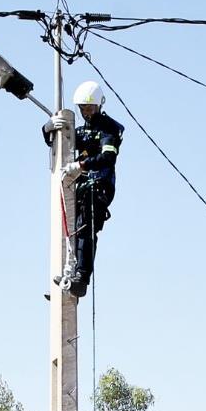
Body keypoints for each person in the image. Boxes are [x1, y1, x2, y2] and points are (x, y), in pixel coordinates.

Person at [43, 81, 124, 298]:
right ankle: (67, 274)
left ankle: (81, 278)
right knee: (70, 229)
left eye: (89, 108)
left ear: (99, 106)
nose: (86, 112)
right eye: (83, 109)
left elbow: (108, 156)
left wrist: (80, 165)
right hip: (78, 188)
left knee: (85, 229)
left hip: (99, 186)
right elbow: (60, 144)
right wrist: (49, 129)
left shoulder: (109, 129)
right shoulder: (81, 131)